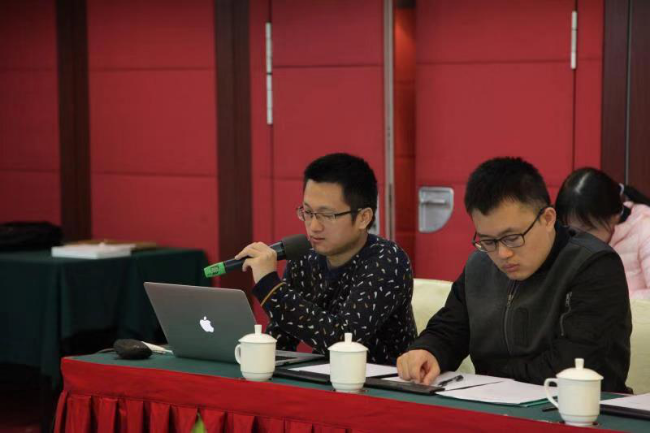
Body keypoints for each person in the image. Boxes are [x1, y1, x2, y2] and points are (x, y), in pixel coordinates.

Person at [397, 157, 631, 393]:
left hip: (582, 408)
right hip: (493, 402)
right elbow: (449, 329)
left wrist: (491, 378)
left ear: (548, 219)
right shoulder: (480, 265)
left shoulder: (593, 265)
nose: (502, 253)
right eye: (488, 241)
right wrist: (428, 350)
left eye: (512, 238)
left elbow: (573, 366)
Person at [235, 153, 417, 364]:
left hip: (383, 379)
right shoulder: (304, 258)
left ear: (363, 218)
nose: (314, 226)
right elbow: (282, 339)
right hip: (323, 376)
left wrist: (270, 286)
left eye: (327, 215)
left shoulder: (388, 261)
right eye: (308, 212)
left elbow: (343, 340)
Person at [556, 167, 650, 300]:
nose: (578, 240)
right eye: (572, 231)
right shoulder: (572, 240)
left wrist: (606, 298)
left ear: (614, 217)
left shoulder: (645, 231)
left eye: (587, 230)